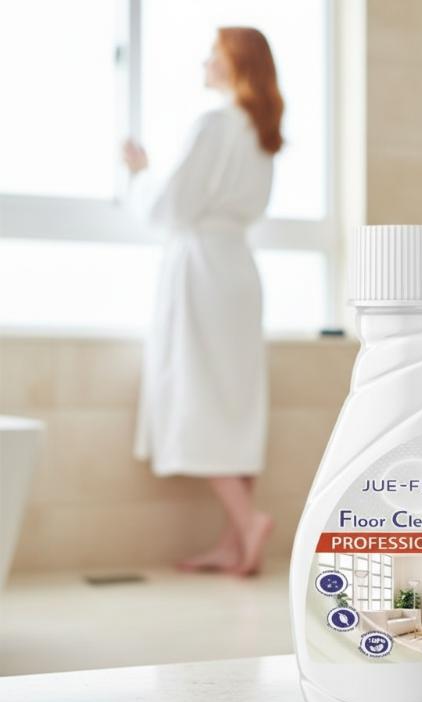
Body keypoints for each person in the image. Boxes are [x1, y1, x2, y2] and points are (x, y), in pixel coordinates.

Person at [122, 27, 282, 576]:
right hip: (239, 270)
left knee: (198, 394)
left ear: (234, 63)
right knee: (237, 401)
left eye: (213, 55)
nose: (204, 63)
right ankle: (233, 542)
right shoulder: (262, 133)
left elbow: (171, 207)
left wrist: (140, 175)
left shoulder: (215, 122)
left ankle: (248, 522)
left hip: (202, 271)